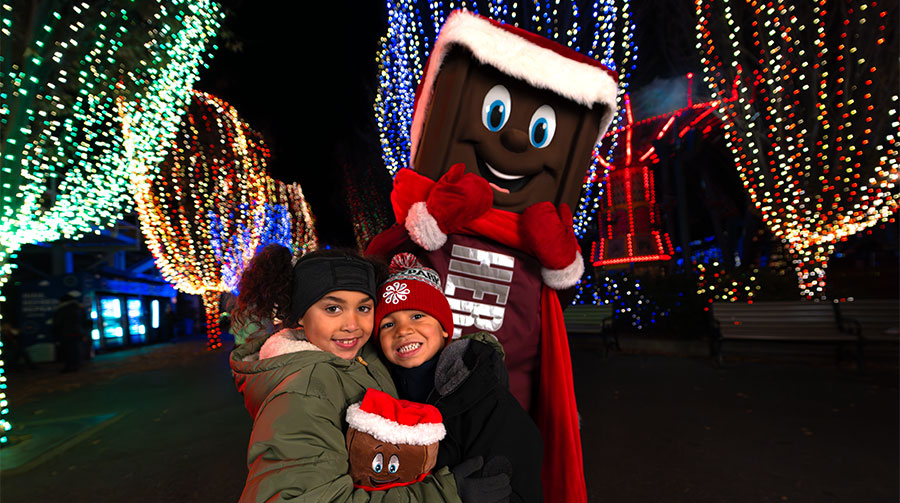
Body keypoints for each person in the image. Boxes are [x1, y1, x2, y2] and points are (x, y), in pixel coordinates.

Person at [229, 244, 509, 503]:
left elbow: (417, 342)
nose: (352, 324)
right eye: (333, 308)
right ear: (300, 315)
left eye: (363, 307)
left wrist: (476, 355)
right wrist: (444, 494)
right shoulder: (301, 393)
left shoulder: (360, 354)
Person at [373, 253, 542, 503]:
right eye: (388, 324)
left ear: (443, 329)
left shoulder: (484, 396)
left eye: (417, 316)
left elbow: (511, 481)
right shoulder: (381, 395)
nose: (403, 330)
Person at [53, 292, 88, 372]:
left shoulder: (63, 309)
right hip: (78, 331)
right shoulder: (79, 308)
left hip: (66, 332)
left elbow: (58, 323)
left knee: (68, 350)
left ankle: (70, 366)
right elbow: (84, 321)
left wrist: (56, 333)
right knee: (76, 348)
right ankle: (76, 364)